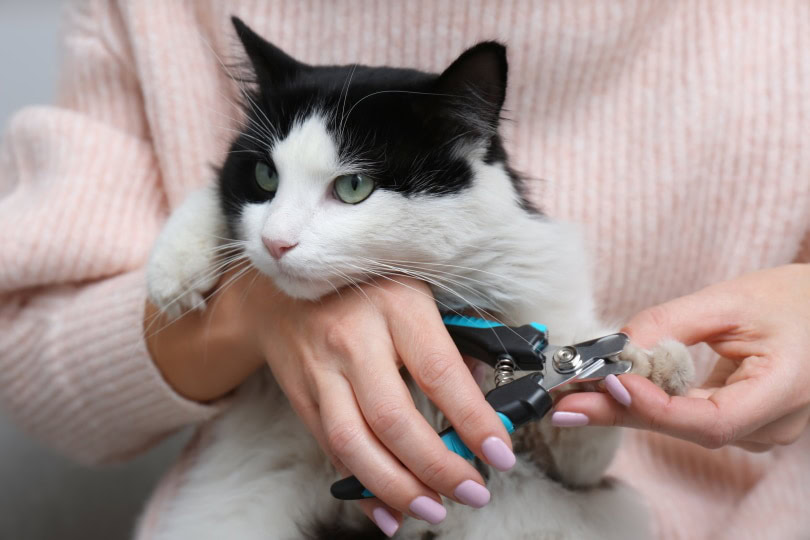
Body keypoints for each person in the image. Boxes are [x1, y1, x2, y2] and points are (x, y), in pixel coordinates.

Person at [1, 1, 808, 538]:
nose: (279, 236)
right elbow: (26, 345)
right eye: (269, 185)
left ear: (468, 150)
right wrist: (247, 312)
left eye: (350, 188)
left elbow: (580, 458)